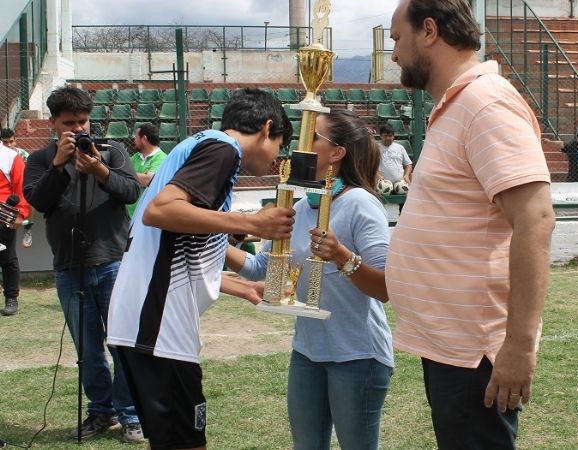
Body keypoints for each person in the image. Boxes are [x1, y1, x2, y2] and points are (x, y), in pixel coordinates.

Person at [386, 1, 555, 449]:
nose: (394, 54)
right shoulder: (458, 105)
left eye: (396, 39)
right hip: (450, 346)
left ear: (428, 31)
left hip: (474, 351)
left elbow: (535, 219)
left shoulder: (485, 102)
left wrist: (518, 345)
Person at [106, 88, 295, 450]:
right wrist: (253, 223)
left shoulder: (200, 146)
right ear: (267, 127)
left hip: (144, 322)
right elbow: (159, 212)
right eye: (280, 145)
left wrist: (242, 287)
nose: (276, 157)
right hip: (158, 327)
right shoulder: (224, 149)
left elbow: (177, 247)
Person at [225, 109, 393, 450]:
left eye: (312, 136)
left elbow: (387, 287)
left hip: (358, 356)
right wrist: (213, 238)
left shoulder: (361, 204)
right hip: (308, 353)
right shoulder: (301, 207)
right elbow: (261, 267)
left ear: (336, 153)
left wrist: (341, 255)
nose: (300, 144)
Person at [22, 86, 144, 442]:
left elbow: (131, 191)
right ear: (53, 123)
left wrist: (101, 171)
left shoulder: (112, 150)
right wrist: (60, 165)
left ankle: (131, 414)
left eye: (82, 121)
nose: (76, 129)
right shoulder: (41, 160)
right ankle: (100, 412)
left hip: (113, 262)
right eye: (68, 124)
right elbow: (39, 203)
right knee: (88, 350)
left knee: (123, 344)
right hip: (69, 267)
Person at [0, 141, 30, 316]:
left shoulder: (11, 156)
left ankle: (11, 298)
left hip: (4, 217)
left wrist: (21, 213)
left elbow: (21, 188)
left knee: (7, 257)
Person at [127, 122, 167, 218]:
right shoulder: (135, 157)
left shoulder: (161, 158)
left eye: (136, 138)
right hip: (130, 214)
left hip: (148, 214)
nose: (134, 141)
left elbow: (148, 180)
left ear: (144, 139)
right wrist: (142, 176)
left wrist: (129, 175)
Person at [377, 122, 412, 188]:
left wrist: (406, 175)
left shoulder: (400, 148)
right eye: (385, 136)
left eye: (390, 136)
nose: (387, 138)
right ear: (381, 136)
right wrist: (377, 175)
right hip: (383, 186)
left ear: (394, 136)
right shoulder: (375, 148)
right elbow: (369, 165)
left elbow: (408, 164)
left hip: (400, 185)